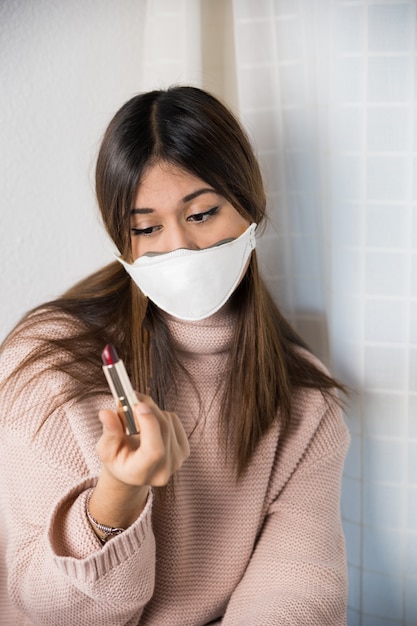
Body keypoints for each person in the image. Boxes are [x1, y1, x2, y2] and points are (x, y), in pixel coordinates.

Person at [0, 86, 350, 625]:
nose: (179, 249)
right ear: (123, 241)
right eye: (147, 227)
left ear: (250, 210)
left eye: (203, 214)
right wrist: (117, 497)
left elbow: (299, 594)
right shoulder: (49, 362)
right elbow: (46, 610)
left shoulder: (305, 401)